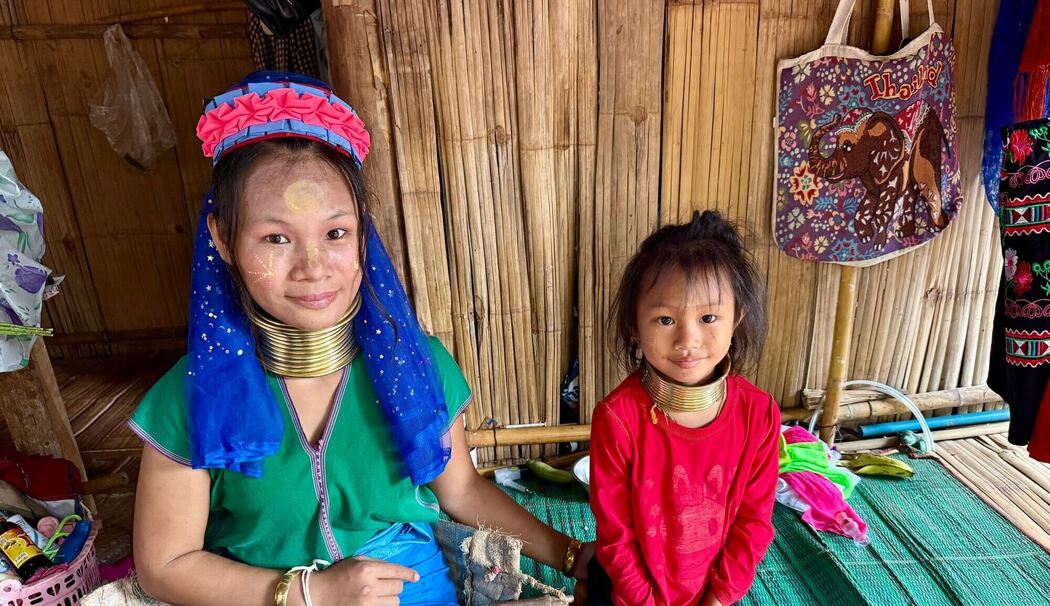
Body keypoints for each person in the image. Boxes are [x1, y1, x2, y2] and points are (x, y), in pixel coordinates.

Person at [129, 71, 592, 606]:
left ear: (363, 233)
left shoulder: (419, 368)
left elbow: (461, 490)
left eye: (335, 233)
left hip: (406, 584)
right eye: (275, 237)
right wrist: (311, 592)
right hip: (259, 593)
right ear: (223, 239)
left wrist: (569, 555)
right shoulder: (188, 399)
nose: (313, 266)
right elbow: (165, 565)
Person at [587, 211, 780, 605]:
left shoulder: (758, 416)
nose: (687, 340)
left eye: (708, 317)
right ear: (635, 326)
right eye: (664, 319)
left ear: (736, 317)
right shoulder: (618, 420)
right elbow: (616, 536)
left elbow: (753, 523)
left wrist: (720, 598)